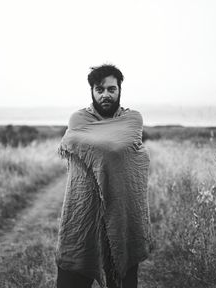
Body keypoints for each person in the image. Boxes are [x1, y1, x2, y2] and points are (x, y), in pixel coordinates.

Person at [56, 64, 151, 288]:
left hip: (121, 212)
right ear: (92, 91)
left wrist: (99, 144)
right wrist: (108, 145)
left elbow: (113, 145)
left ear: (119, 90)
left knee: (124, 277)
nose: (105, 95)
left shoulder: (133, 118)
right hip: (83, 212)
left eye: (111, 89)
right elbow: (110, 147)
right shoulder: (78, 119)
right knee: (73, 273)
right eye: (100, 89)